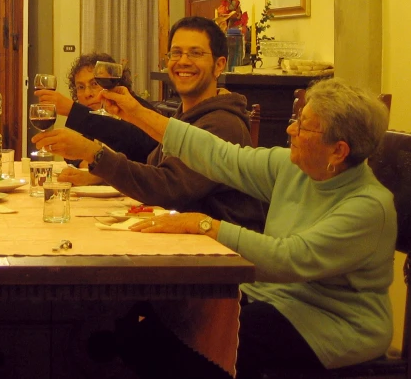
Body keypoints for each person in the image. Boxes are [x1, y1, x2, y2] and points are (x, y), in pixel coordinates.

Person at [102, 77, 394, 377]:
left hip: (333, 323)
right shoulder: (296, 169)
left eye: (304, 126)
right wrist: (134, 112)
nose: (290, 129)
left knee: (190, 350)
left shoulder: (368, 206)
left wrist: (206, 226)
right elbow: (221, 157)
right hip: (272, 298)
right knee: (155, 324)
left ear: (338, 151)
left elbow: (289, 259)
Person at [34, 16, 265, 233]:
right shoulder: (184, 115)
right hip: (178, 236)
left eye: (195, 53)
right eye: (176, 53)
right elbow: (151, 167)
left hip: (218, 254)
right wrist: (99, 175)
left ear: (219, 65)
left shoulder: (223, 124)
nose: (183, 61)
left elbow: (167, 188)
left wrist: (93, 153)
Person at [35, 52, 159, 170]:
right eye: (81, 87)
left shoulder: (137, 109)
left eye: (94, 84)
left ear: (114, 82)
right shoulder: (94, 116)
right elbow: (76, 149)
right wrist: (86, 163)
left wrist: (71, 110)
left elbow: (132, 145)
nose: (87, 93)